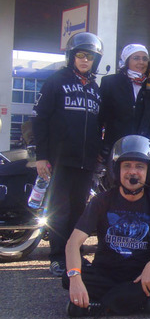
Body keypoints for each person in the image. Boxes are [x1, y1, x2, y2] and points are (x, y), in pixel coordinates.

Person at [63, 135, 150, 317]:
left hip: (140, 275)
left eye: (139, 166)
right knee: (68, 274)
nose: (132, 172)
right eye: (127, 166)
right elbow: (73, 243)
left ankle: (98, 305)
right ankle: (134, 303)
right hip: (105, 273)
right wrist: (75, 278)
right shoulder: (101, 201)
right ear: (117, 170)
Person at [32, 32, 103, 277]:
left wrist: (97, 153)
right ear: (72, 56)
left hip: (85, 163)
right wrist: (41, 156)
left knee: (78, 212)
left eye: (90, 56)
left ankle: (75, 256)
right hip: (59, 161)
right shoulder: (55, 81)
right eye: (80, 55)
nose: (85, 60)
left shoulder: (95, 88)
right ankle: (57, 258)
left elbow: (97, 126)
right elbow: (39, 119)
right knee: (59, 212)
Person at [99, 44, 150, 160]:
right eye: (136, 58)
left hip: (142, 148)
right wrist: (99, 146)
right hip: (115, 147)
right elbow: (100, 117)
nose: (141, 62)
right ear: (127, 61)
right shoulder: (110, 82)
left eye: (144, 59)